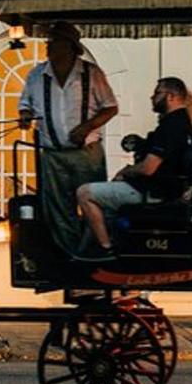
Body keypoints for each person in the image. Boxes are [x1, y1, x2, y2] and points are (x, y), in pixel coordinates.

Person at [17, 22, 118, 256]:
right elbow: (25, 105)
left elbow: (110, 107)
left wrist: (88, 126)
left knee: (92, 205)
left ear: (70, 47)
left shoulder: (91, 74)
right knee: (59, 210)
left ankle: (93, 251)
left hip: (87, 154)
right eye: (49, 42)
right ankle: (71, 255)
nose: (48, 47)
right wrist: (25, 116)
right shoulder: (36, 75)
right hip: (52, 155)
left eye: (54, 42)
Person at [75, 77, 192, 261]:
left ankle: (105, 249)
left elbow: (149, 168)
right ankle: (86, 253)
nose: (152, 97)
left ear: (171, 96)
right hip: (165, 190)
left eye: (157, 93)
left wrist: (126, 171)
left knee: (85, 193)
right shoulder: (184, 125)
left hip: (153, 192)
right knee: (106, 207)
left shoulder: (171, 126)